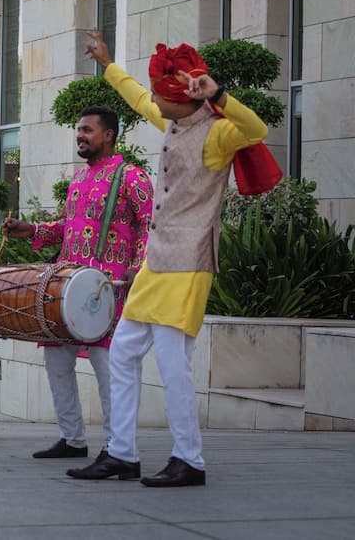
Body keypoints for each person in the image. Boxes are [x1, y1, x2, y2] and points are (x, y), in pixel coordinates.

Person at [67, 30, 269, 487]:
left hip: (190, 261)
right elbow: (140, 99)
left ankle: (189, 460)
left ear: (182, 99)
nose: (154, 102)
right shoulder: (174, 122)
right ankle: (122, 453)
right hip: (157, 261)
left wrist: (218, 92)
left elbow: (257, 130)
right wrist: (108, 65)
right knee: (123, 351)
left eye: (161, 95)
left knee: (174, 362)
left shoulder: (218, 133)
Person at [3, 105, 153, 460]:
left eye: (87, 130)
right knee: (57, 360)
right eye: (79, 131)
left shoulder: (132, 176)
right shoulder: (79, 178)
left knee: (108, 367)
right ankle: (72, 439)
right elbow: (67, 228)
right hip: (66, 287)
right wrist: (32, 229)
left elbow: (151, 225)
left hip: (109, 289)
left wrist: (138, 267)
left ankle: (117, 447)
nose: (80, 136)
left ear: (108, 135)